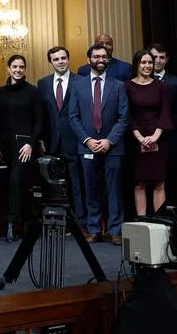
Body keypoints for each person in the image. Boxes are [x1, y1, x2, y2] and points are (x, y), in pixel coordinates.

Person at [69, 42, 128, 245]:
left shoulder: (119, 85)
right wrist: (88, 140)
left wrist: (109, 140)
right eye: (96, 57)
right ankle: (94, 229)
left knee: (114, 190)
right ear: (89, 60)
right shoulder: (77, 86)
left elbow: (123, 117)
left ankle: (115, 230)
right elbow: (73, 117)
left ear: (108, 60)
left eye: (104, 57)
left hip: (113, 148)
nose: (100, 60)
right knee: (91, 190)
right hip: (87, 146)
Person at [36, 47, 88, 231]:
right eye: (56, 59)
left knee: (76, 184)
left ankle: (80, 224)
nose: (60, 61)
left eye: (63, 58)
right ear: (50, 62)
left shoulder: (81, 81)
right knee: (54, 187)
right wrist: (41, 139)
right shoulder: (42, 83)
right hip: (51, 142)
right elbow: (41, 114)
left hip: (75, 140)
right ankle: (58, 224)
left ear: (68, 59)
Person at [0, 54, 45, 242]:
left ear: (25, 69)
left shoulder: (33, 92)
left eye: (21, 67)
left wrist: (31, 144)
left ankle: (11, 222)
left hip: (25, 145)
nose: (18, 70)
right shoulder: (0, 92)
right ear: (8, 68)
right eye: (14, 66)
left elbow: (39, 122)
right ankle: (28, 219)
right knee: (13, 184)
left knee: (16, 181)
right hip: (6, 146)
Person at [126, 49, 171, 218]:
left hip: (159, 138)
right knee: (139, 184)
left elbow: (165, 112)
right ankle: (142, 222)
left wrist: (155, 137)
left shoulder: (161, 85)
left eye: (150, 63)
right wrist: (140, 138)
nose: (147, 66)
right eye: (143, 62)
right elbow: (127, 114)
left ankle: (160, 223)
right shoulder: (127, 86)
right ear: (137, 64)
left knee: (159, 182)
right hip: (135, 138)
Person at [149, 43, 177, 198]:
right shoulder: (139, 82)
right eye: (154, 57)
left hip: (169, 139)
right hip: (145, 139)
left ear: (167, 60)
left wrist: (161, 130)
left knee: (169, 180)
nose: (157, 61)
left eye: (161, 57)